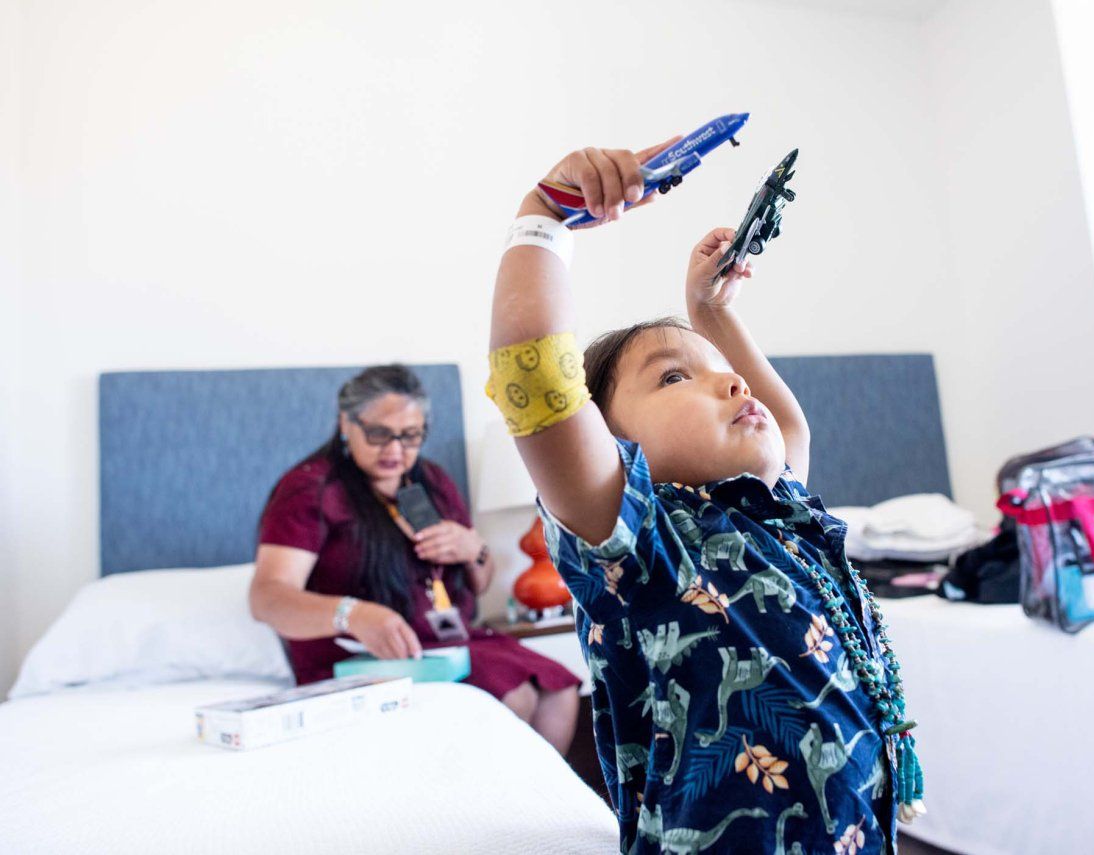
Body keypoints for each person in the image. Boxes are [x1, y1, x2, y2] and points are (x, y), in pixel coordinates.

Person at [485, 140, 925, 852]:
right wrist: (545, 215)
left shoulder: (780, 517)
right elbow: (534, 378)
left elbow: (787, 430)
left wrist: (711, 312)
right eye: (672, 376)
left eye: (723, 370)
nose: (732, 382)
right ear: (606, 441)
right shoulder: (640, 539)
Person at [249, 364, 580, 754]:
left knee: (561, 689)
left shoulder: (431, 483)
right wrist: (354, 614)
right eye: (378, 435)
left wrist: (474, 550)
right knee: (514, 696)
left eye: (409, 436)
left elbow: (481, 582)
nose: (394, 450)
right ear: (345, 423)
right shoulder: (310, 489)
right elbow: (267, 598)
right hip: (359, 657)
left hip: (445, 644)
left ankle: (540, 811)